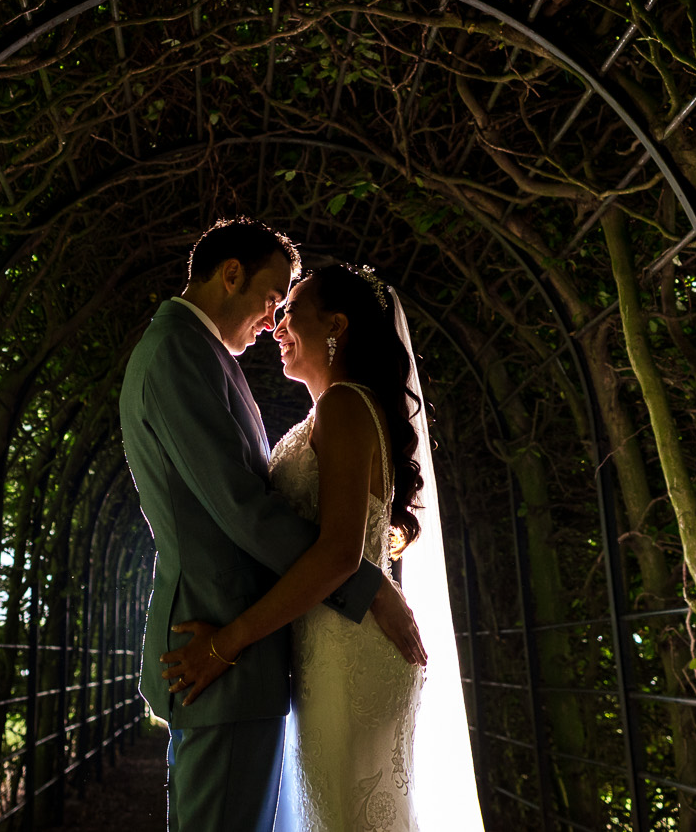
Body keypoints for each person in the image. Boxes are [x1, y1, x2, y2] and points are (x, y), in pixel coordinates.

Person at [119, 219, 426, 832]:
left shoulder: (209, 357)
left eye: (288, 307)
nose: (274, 320)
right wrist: (371, 587)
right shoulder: (181, 350)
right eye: (272, 297)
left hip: (258, 648)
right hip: (222, 642)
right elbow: (242, 508)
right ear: (231, 273)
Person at [161, 262, 485, 832]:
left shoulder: (343, 406)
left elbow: (338, 555)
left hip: (350, 655)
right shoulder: (330, 410)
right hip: (328, 649)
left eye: (290, 312)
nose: (277, 325)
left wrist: (226, 644)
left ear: (335, 326)